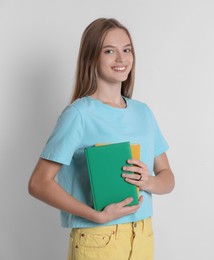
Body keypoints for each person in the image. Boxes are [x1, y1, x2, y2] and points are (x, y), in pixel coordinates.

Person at [28, 18, 175, 260]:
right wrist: (95, 216)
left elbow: (168, 179)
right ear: (92, 57)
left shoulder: (143, 112)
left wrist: (147, 181)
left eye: (127, 50)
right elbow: (38, 183)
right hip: (98, 238)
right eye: (109, 51)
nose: (121, 59)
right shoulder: (78, 114)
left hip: (142, 236)